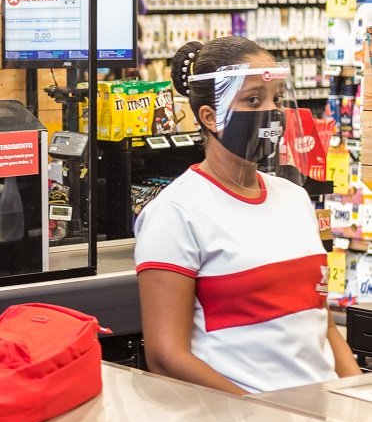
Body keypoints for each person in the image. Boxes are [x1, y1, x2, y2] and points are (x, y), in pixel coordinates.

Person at [135, 36, 360, 395]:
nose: (271, 112)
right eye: (253, 100)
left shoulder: (295, 197)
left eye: (277, 98)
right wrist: (258, 413)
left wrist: (355, 393)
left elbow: (320, 320)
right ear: (210, 117)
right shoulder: (175, 213)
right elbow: (166, 356)